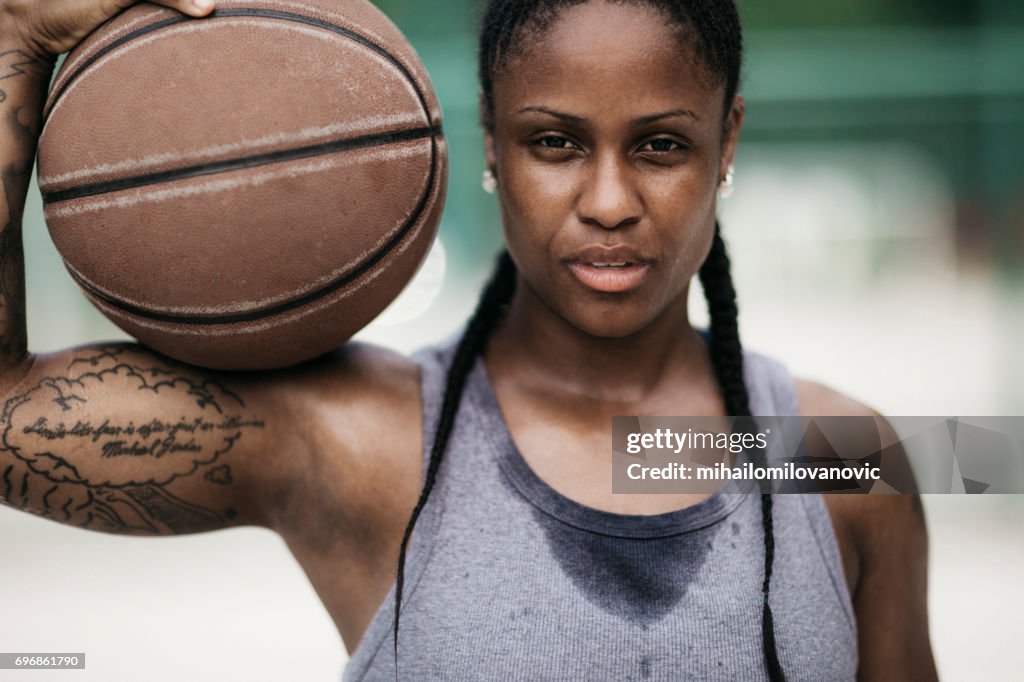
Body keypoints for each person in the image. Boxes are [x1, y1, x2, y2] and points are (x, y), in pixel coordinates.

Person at [0, 0, 937, 679]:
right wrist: (12, 37)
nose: (609, 203)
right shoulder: (363, 440)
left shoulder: (845, 456)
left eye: (660, 145)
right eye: (555, 143)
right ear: (490, 141)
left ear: (726, 143)